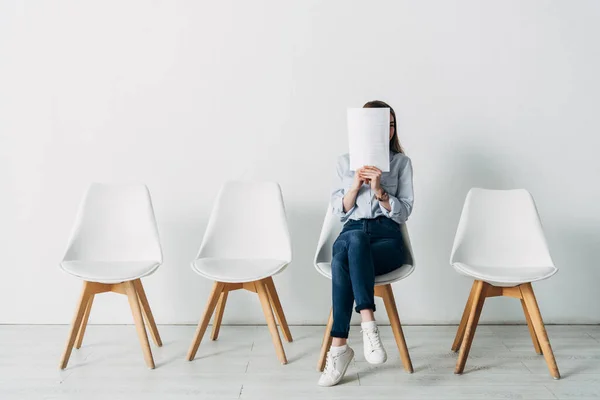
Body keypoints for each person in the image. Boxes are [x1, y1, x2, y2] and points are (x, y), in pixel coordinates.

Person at [318, 100, 414, 387]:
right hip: (351, 231)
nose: (387, 130)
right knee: (354, 239)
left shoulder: (401, 163)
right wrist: (356, 185)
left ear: (392, 130)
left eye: (390, 125)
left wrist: (380, 191)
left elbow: (405, 211)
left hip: (386, 238)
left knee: (342, 261)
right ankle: (368, 326)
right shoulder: (344, 162)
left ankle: (339, 349)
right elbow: (339, 210)